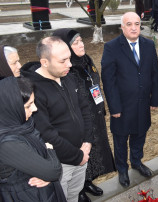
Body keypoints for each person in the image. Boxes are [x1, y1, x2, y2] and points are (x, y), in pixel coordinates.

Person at [21, 36, 93, 202]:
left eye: (69, 58)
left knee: (74, 195)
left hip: (82, 153)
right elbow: (47, 133)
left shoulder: (68, 76)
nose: (69, 64)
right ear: (45, 62)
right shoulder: (34, 90)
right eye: (63, 60)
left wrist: (88, 142)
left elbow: (85, 109)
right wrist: (77, 155)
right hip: (60, 164)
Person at [54, 29, 116, 201]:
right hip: (79, 121)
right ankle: (78, 190)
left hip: (95, 116)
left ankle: (88, 181)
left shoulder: (87, 61)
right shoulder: (66, 68)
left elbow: (95, 83)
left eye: (81, 40)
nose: (81, 45)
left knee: (95, 151)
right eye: (75, 43)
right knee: (81, 152)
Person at [101, 12, 158, 188]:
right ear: (122, 27)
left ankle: (136, 162)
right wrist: (114, 107)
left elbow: (154, 74)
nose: (134, 27)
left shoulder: (149, 45)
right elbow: (108, 81)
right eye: (129, 24)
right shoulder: (112, 47)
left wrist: (154, 99)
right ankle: (122, 169)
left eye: (136, 24)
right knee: (120, 139)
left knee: (139, 135)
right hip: (122, 106)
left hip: (142, 104)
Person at [0, 77, 65, 202]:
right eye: (28, 105)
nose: (35, 109)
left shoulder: (21, 124)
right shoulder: (7, 144)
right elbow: (53, 172)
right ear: (10, 107)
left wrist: (45, 172)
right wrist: (50, 150)